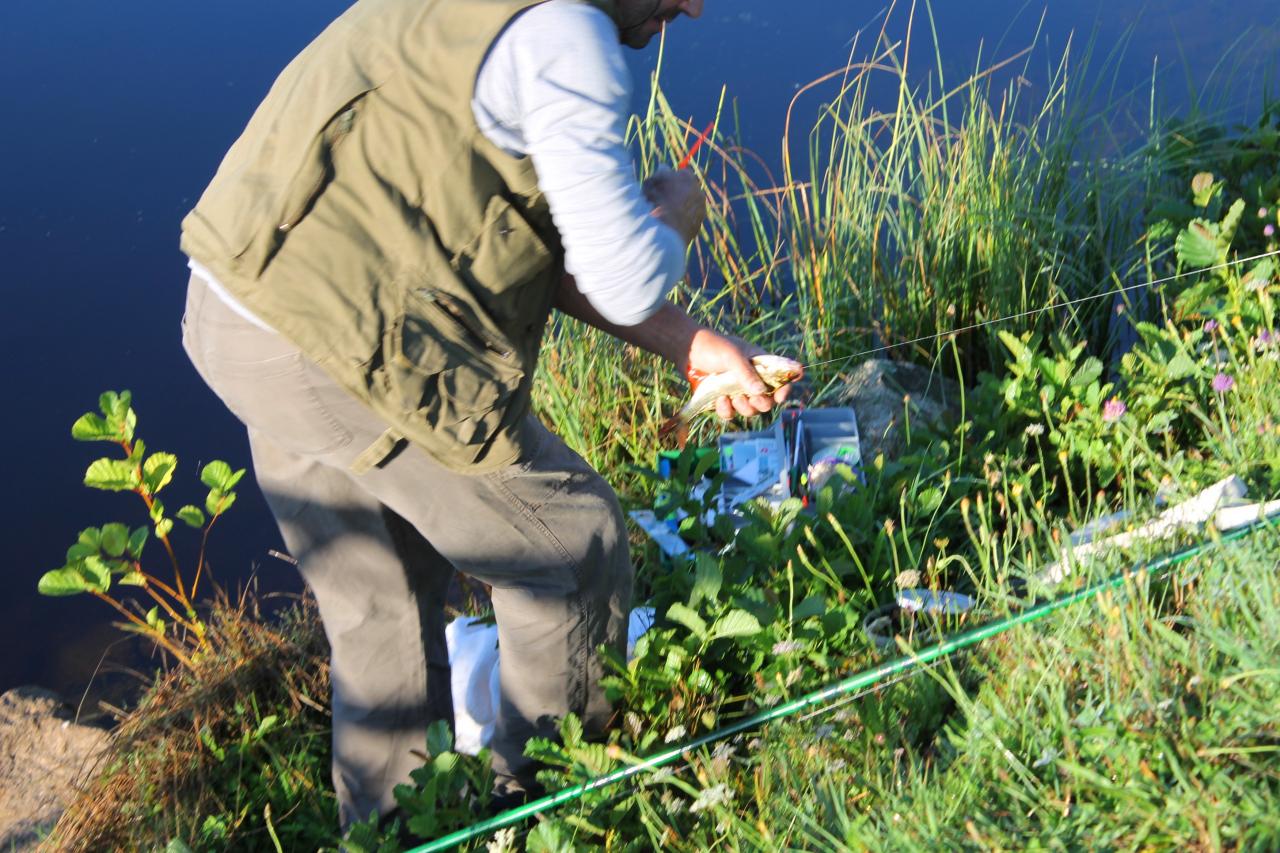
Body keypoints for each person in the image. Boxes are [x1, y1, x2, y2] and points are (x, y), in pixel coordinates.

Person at [178, 0, 797, 829]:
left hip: (246, 314)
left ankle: (393, 833)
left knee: (380, 590)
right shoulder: (566, 34)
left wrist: (688, 343)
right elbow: (622, 276)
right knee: (569, 543)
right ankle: (545, 813)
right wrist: (673, 218)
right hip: (339, 350)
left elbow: (520, 233)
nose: (694, 6)